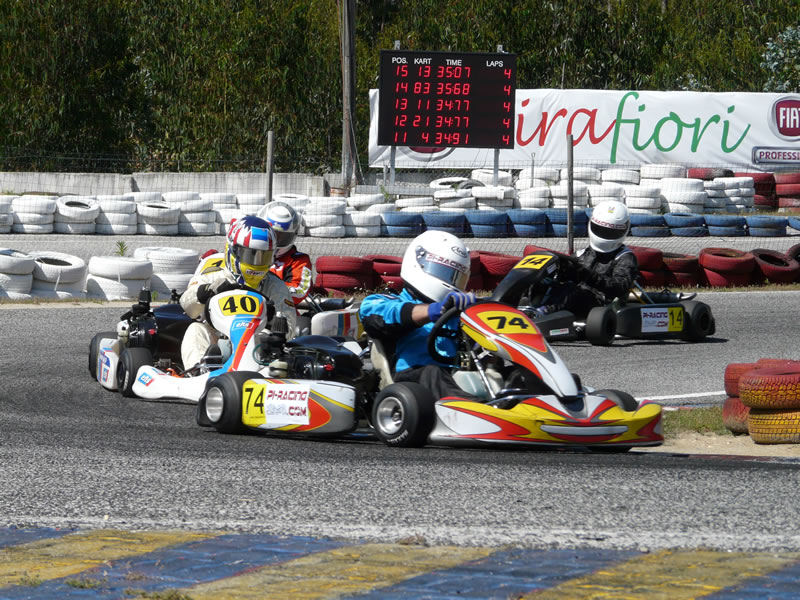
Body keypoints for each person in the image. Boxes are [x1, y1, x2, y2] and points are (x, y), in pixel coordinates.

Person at [359, 230, 478, 400]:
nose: (451, 284)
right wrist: (433, 310)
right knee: (433, 373)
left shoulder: (455, 311)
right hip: (409, 381)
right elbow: (379, 316)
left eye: (457, 278)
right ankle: (475, 412)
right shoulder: (384, 301)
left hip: (452, 378)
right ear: (419, 263)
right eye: (446, 273)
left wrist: (477, 311)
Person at [180, 215, 295, 371]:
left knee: (270, 340)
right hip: (218, 339)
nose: (257, 262)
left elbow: (288, 329)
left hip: (256, 343)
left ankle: (266, 374)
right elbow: (187, 306)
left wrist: (271, 319)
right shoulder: (213, 276)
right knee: (195, 330)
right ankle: (198, 372)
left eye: (264, 257)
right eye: (251, 255)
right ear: (233, 251)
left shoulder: (275, 286)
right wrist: (206, 292)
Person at [532, 199, 639, 318]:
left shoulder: (625, 257)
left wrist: (587, 275)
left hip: (601, 305)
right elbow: (567, 277)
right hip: (575, 298)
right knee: (543, 283)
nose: (605, 235)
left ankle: (541, 314)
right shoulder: (582, 253)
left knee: (575, 294)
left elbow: (619, 287)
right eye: (601, 230)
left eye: (610, 232)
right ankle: (528, 307)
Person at [258, 201, 313, 306]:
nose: (275, 241)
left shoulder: (299, 261)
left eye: (281, 237)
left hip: (280, 311)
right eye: (272, 235)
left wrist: (266, 288)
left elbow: (300, 291)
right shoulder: (248, 254)